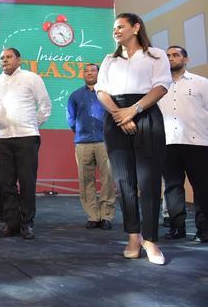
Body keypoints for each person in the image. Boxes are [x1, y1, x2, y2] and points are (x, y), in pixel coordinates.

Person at [95, 13, 171, 265]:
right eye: (113, 28)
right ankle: (133, 237)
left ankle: (150, 240)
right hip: (115, 117)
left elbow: (161, 87)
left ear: (136, 27)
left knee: (148, 182)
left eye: (120, 27)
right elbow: (101, 90)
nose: (115, 31)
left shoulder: (156, 55)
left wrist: (134, 110)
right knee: (124, 183)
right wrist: (119, 115)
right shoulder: (109, 59)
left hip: (146, 116)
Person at [0, 47, 51, 240]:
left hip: (27, 137)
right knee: (6, 183)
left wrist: (32, 124)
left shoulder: (32, 78)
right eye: (1, 58)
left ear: (19, 59)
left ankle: (27, 224)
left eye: (8, 57)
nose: (4, 60)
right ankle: (11, 223)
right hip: (3, 137)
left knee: (27, 182)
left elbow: (45, 105)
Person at [159, 46, 208, 243]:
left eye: (175, 55)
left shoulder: (201, 83)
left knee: (202, 188)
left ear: (185, 59)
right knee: (172, 188)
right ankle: (176, 228)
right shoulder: (159, 86)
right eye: (168, 56)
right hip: (168, 143)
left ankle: (204, 230)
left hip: (198, 143)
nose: (171, 58)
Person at [66, 64, 116, 230]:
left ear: (99, 73)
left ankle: (106, 216)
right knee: (85, 180)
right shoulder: (75, 95)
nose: (89, 73)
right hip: (82, 143)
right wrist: (81, 130)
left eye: (92, 70)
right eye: (86, 71)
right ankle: (93, 216)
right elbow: (71, 120)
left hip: (106, 142)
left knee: (107, 179)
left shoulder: (108, 94)